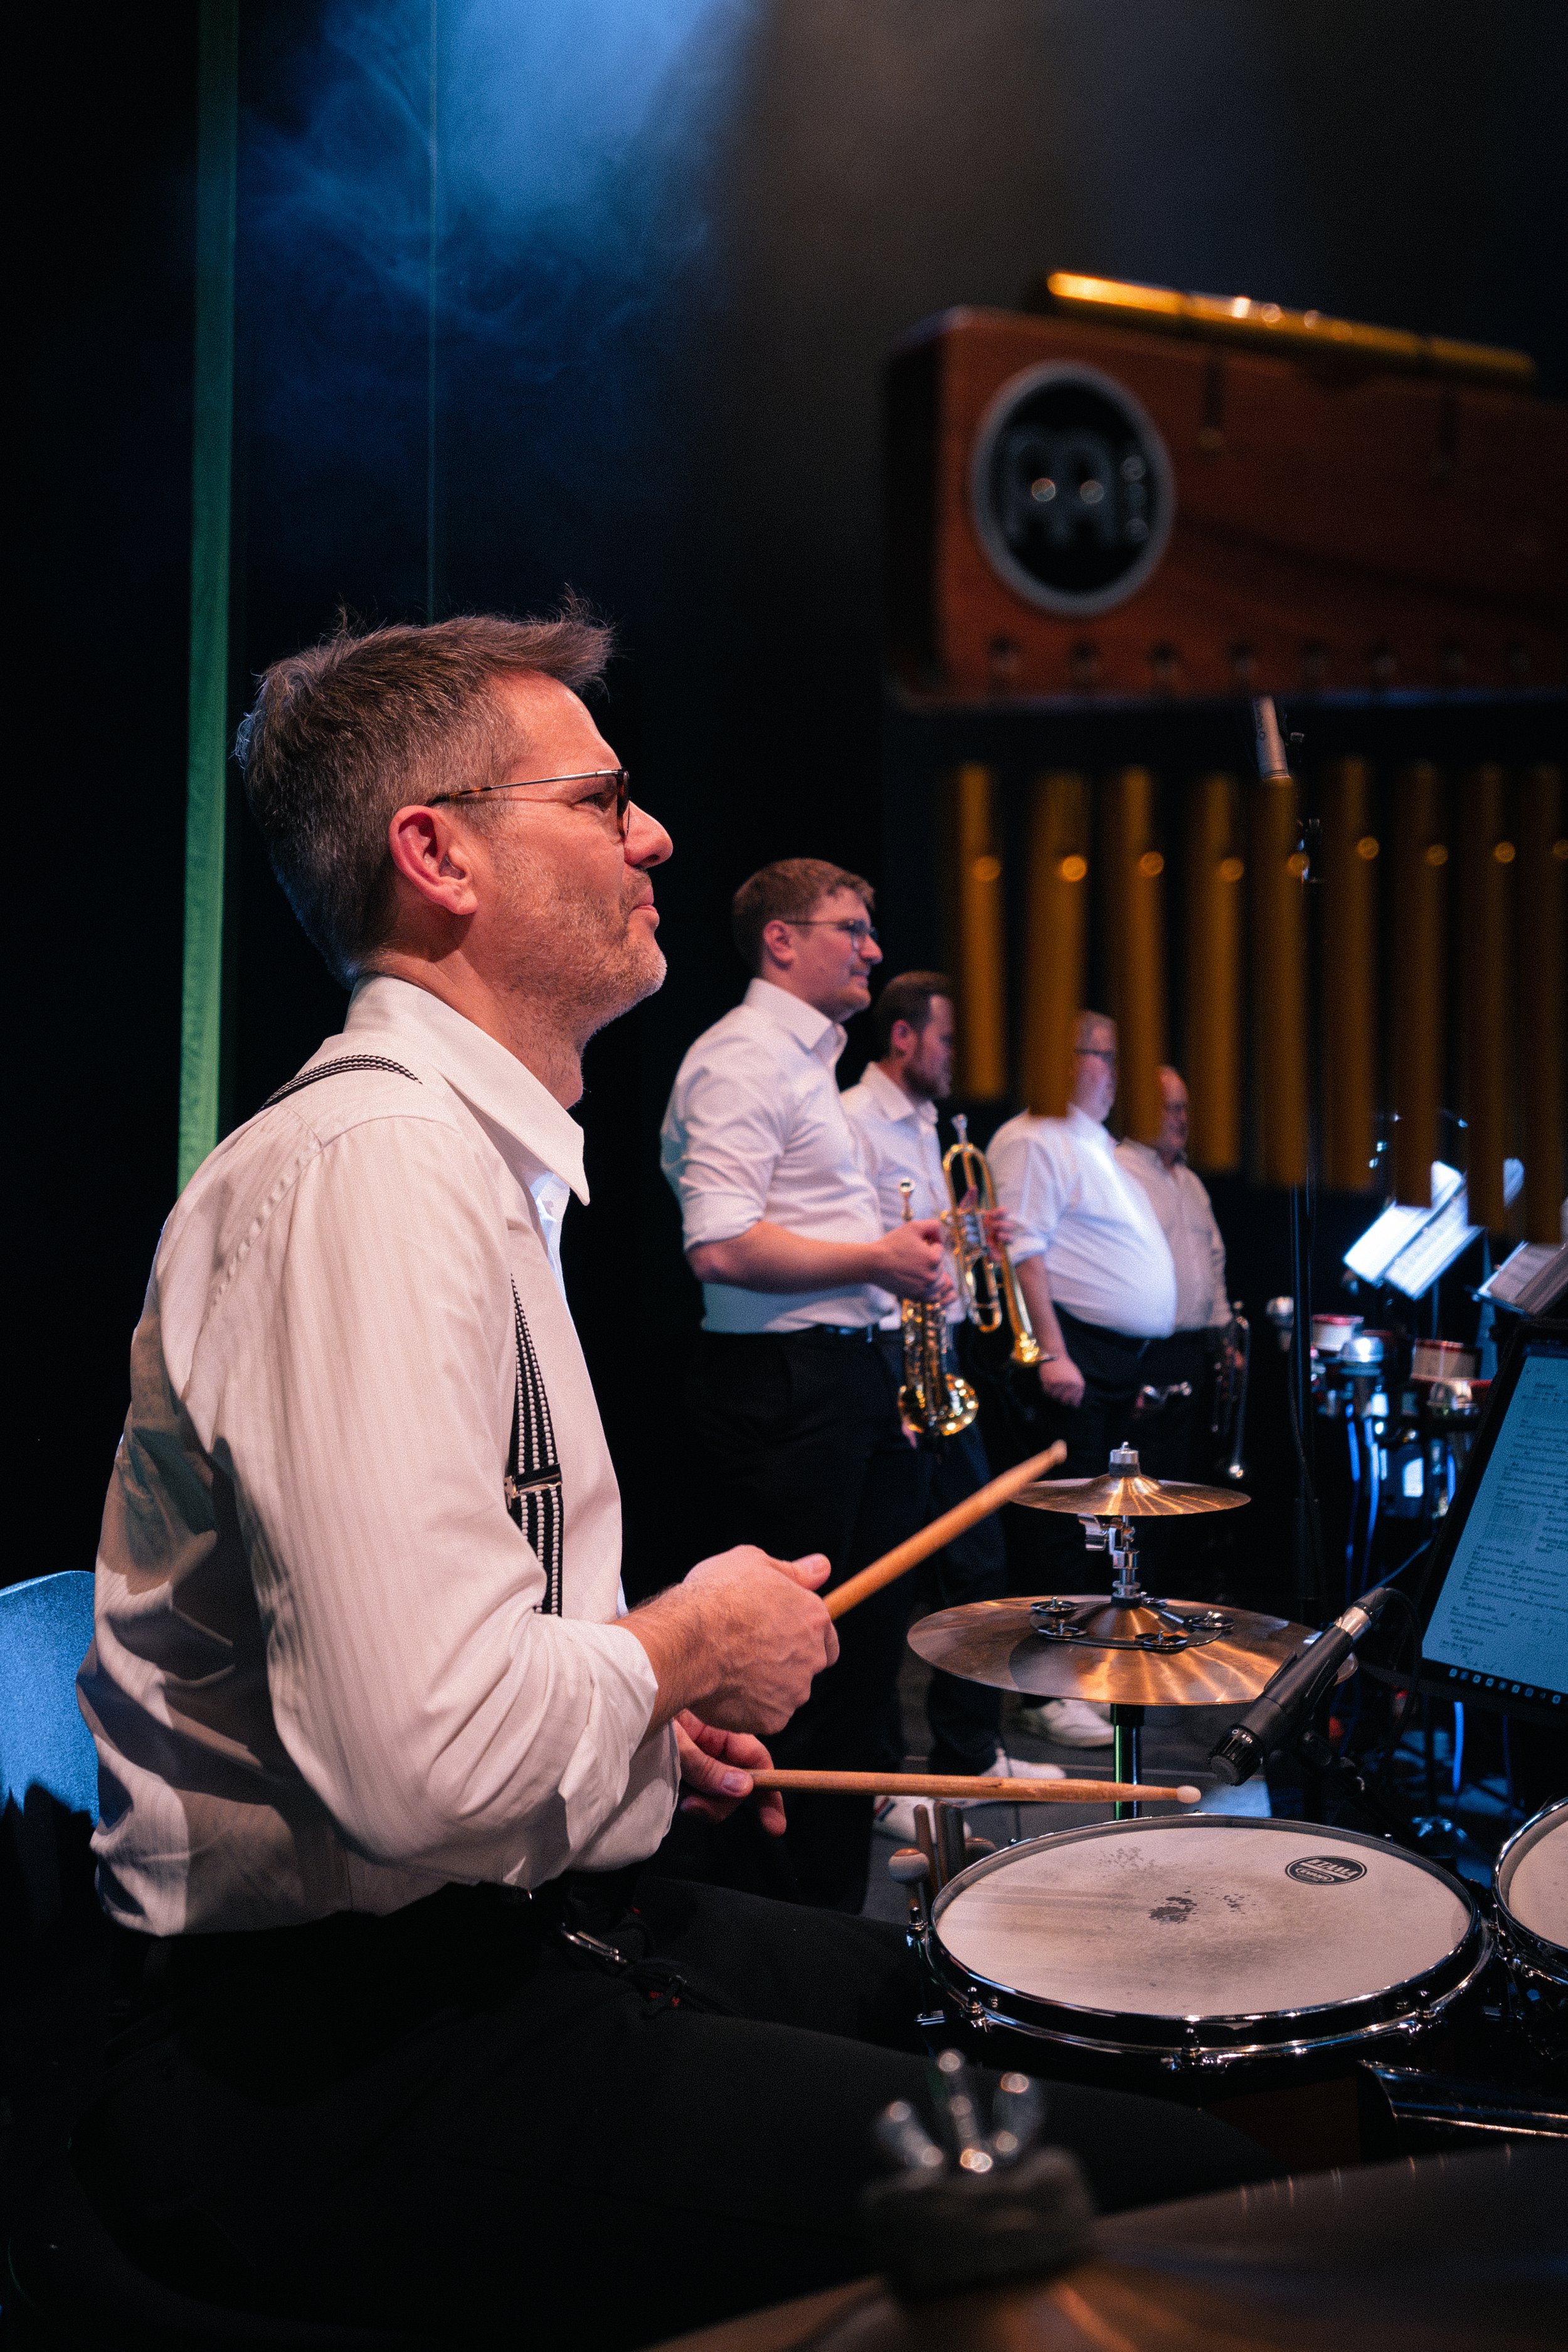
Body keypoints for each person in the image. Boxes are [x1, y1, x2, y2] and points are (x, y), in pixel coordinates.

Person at [75, 617, 1269, 2348]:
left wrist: (636, 1719)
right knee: (1188, 2193)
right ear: (439, 850)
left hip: (483, 1948)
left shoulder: (462, 1168)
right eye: (603, 798)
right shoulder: (370, 1172)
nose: (653, 839)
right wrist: (686, 1642)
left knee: (1040, 1993)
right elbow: (416, 1759)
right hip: (328, 2060)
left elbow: (452, 1690)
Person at [659, 863, 948, 1909]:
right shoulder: (743, 1059)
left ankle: (831, 1921)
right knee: (797, 1689)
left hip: (836, 1378)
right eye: (853, 929)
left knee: (856, 1674)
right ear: (782, 941)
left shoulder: (803, 1067)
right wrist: (878, 1261)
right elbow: (722, 1244)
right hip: (787, 1387)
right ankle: (785, 1932)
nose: (873, 949)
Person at [840, 970, 1064, 1837]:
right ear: (902, 1037)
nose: (958, 1057)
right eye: (946, 1038)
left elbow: (940, 1248)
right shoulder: (855, 1123)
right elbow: (864, 1245)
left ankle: (967, 1756)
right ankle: (883, 1778)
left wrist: (978, 1235)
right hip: (892, 1357)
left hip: (946, 1357)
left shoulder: (937, 1128)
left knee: (976, 1565)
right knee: (889, 1577)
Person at [986, 1011, 1179, 1747]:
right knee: (1061, 1531)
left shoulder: (1089, 1141)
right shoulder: (1035, 1136)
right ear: (1065, 1061)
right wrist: (1053, 1352)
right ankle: (1044, 1693)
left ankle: (1077, 1676)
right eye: (1104, 1055)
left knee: (1098, 1530)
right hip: (1071, 1356)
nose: (1115, 1071)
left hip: (1107, 1362)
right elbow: (1022, 1254)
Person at [1116, 1065, 1234, 1484]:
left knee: (1181, 1486)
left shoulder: (1192, 1184)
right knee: (1137, 1487)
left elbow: (1213, 1264)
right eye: (1171, 1108)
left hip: (1192, 1352)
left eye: (1185, 1108)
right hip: (1139, 1354)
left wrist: (1225, 1341)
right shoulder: (1117, 1172)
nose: (1183, 1119)